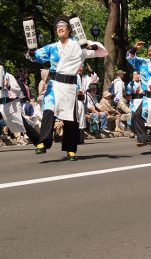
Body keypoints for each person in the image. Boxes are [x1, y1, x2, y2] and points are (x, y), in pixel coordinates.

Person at [27, 15, 108, 161]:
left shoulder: (79, 45)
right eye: (57, 26)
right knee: (48, 110)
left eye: (62, 25)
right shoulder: (52, 47)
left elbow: (103, 51)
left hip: (70, 86)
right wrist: (31, 53)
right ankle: (43, 143)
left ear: (70, 29)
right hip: (54, 84)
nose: (60, 28)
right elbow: (35, 56)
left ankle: (70, 149)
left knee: (70, 118)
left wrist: (92, 46)